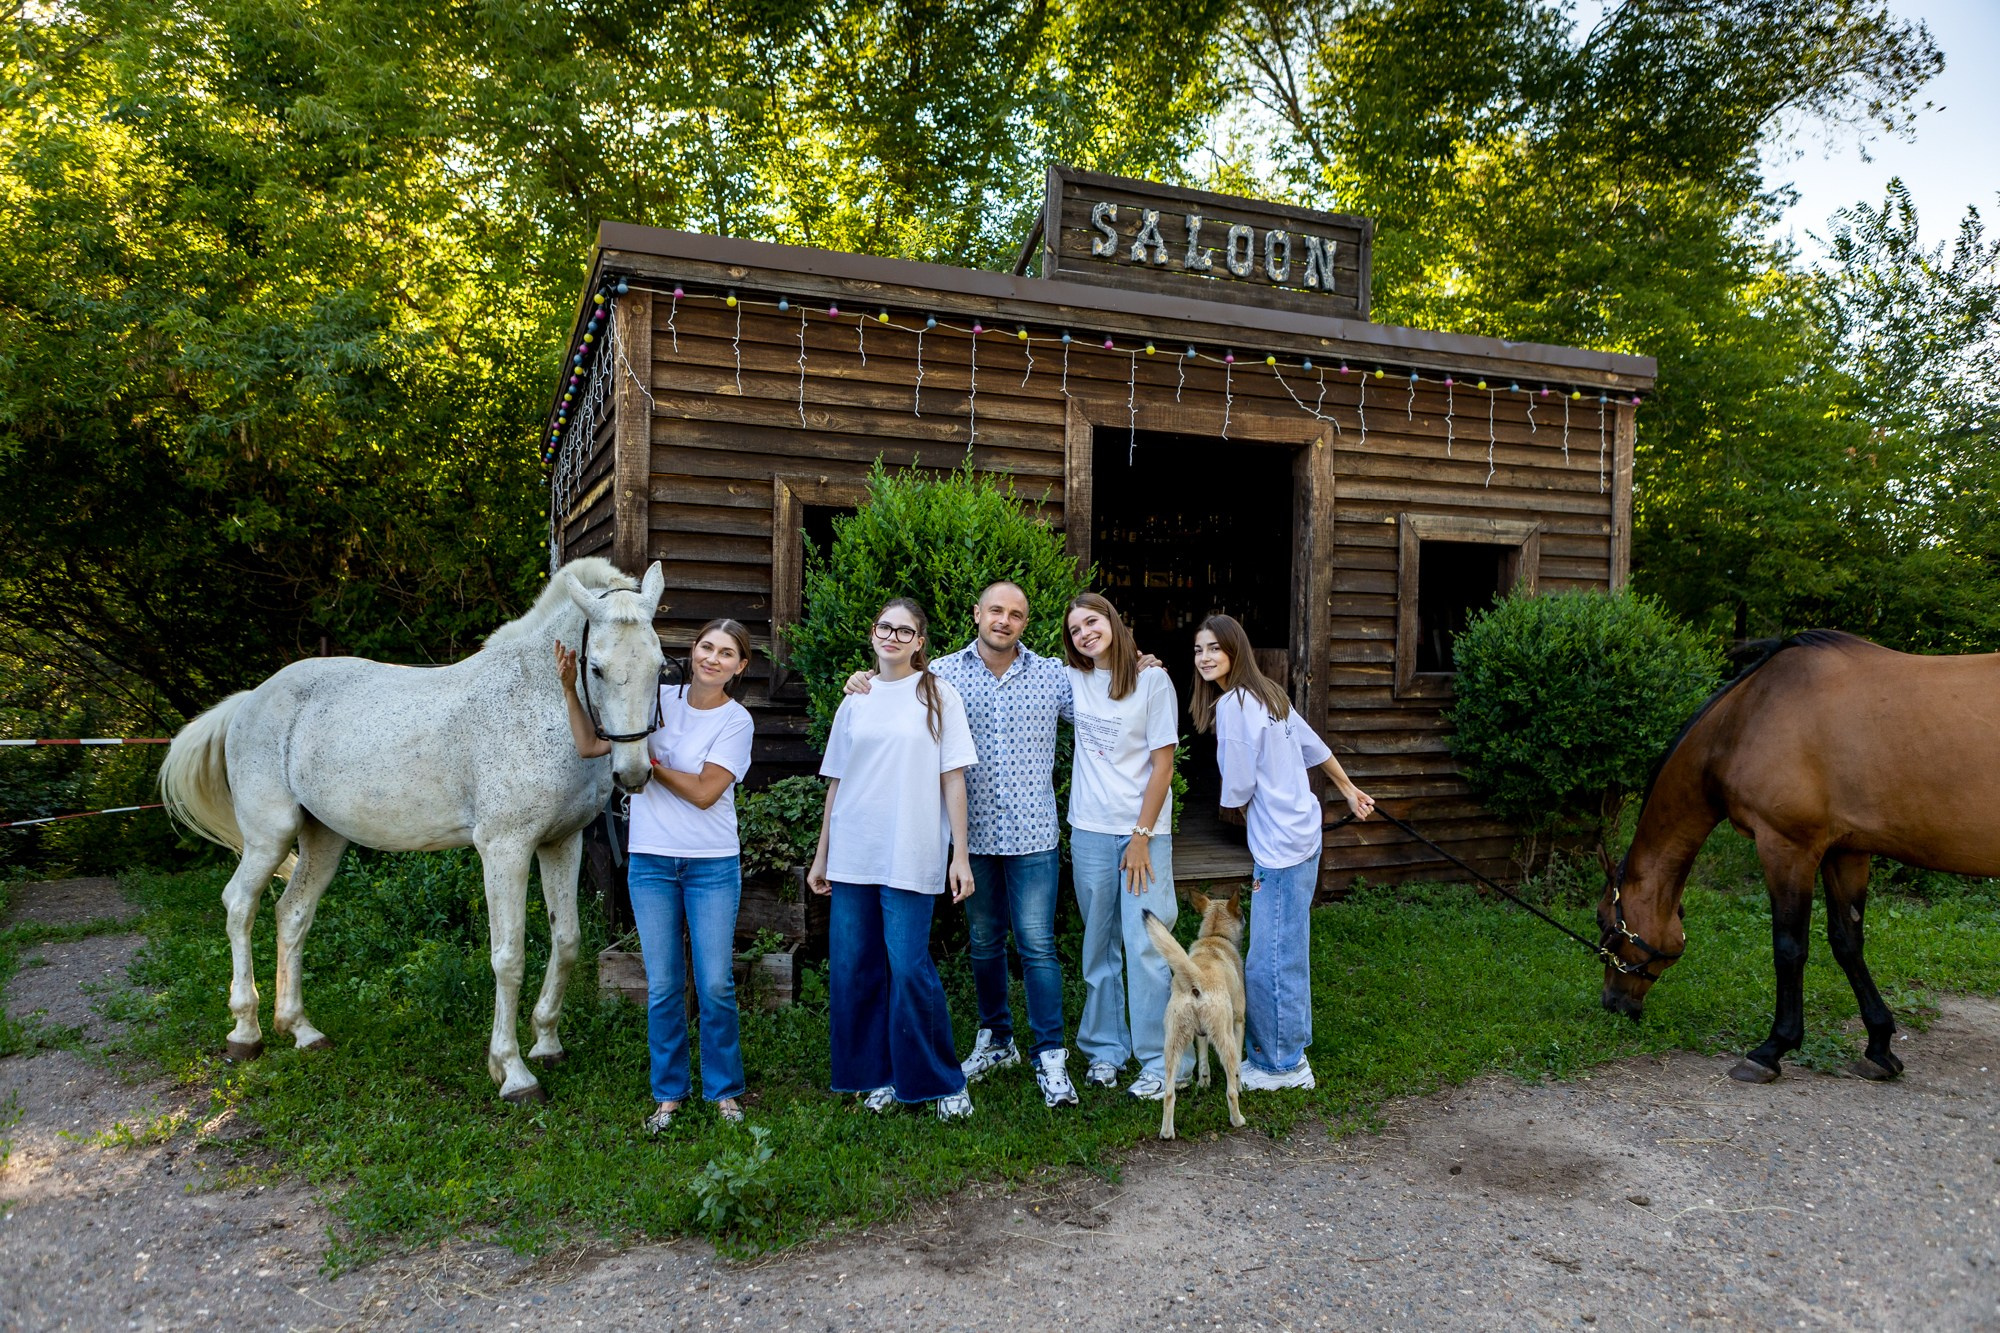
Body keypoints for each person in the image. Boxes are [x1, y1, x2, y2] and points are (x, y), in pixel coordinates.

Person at [557, 619, 755, 1133]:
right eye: (706, 646)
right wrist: (570, 689)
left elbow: (705, 792)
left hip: (711, 865)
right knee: (664, 986)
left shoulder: (737, 721)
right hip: (651, 863)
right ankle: (669, 1095)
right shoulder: (657, 701)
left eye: (726, 653)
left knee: (715, 984)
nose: (712, 658)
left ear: (740, 666)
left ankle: (724, 1092)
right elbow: (589, 746)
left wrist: (645, 760)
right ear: (692, 650)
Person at [808, 598, 980, 1119]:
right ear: (873, 633)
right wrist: (821, 856)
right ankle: (876, 1076)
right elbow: (837, 782)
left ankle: (943, 1081)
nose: (893, 637)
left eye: (905, 631)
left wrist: (960, 855)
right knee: (855, 969)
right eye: (886, 627)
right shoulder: (854, 700)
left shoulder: (938, 695)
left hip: (911, 849)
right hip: (853, 851)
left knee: (908, 968)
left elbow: (953, 776)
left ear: (920, 642)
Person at [1190, 614, 1375, 1091]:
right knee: (1289, 948)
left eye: (1214, 648)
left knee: (1270, 959)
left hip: (1280, 849)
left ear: (1235, 649)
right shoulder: (1269, 693)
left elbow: (1238, 786)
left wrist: (1241, 802)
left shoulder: (1234, 705)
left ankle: (1281, 1066)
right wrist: (1348, 789)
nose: (1205, 657)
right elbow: (1315, 746)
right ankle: (1292, 1049)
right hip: (1304, 837)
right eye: (1199, 650)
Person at [1064, 591, 1188, 1101]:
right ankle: (1104, 1050)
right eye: (1075, 629)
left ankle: (1164, 1061)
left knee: (1147, 945)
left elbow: (1164, 765)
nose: (1085, 633)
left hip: (1142, 833)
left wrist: (1141, 836)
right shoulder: (1069, 680)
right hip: (1090, 830)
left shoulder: (1153, 681)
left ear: (1113, 621)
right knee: (1098, 945)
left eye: (1092, 622)